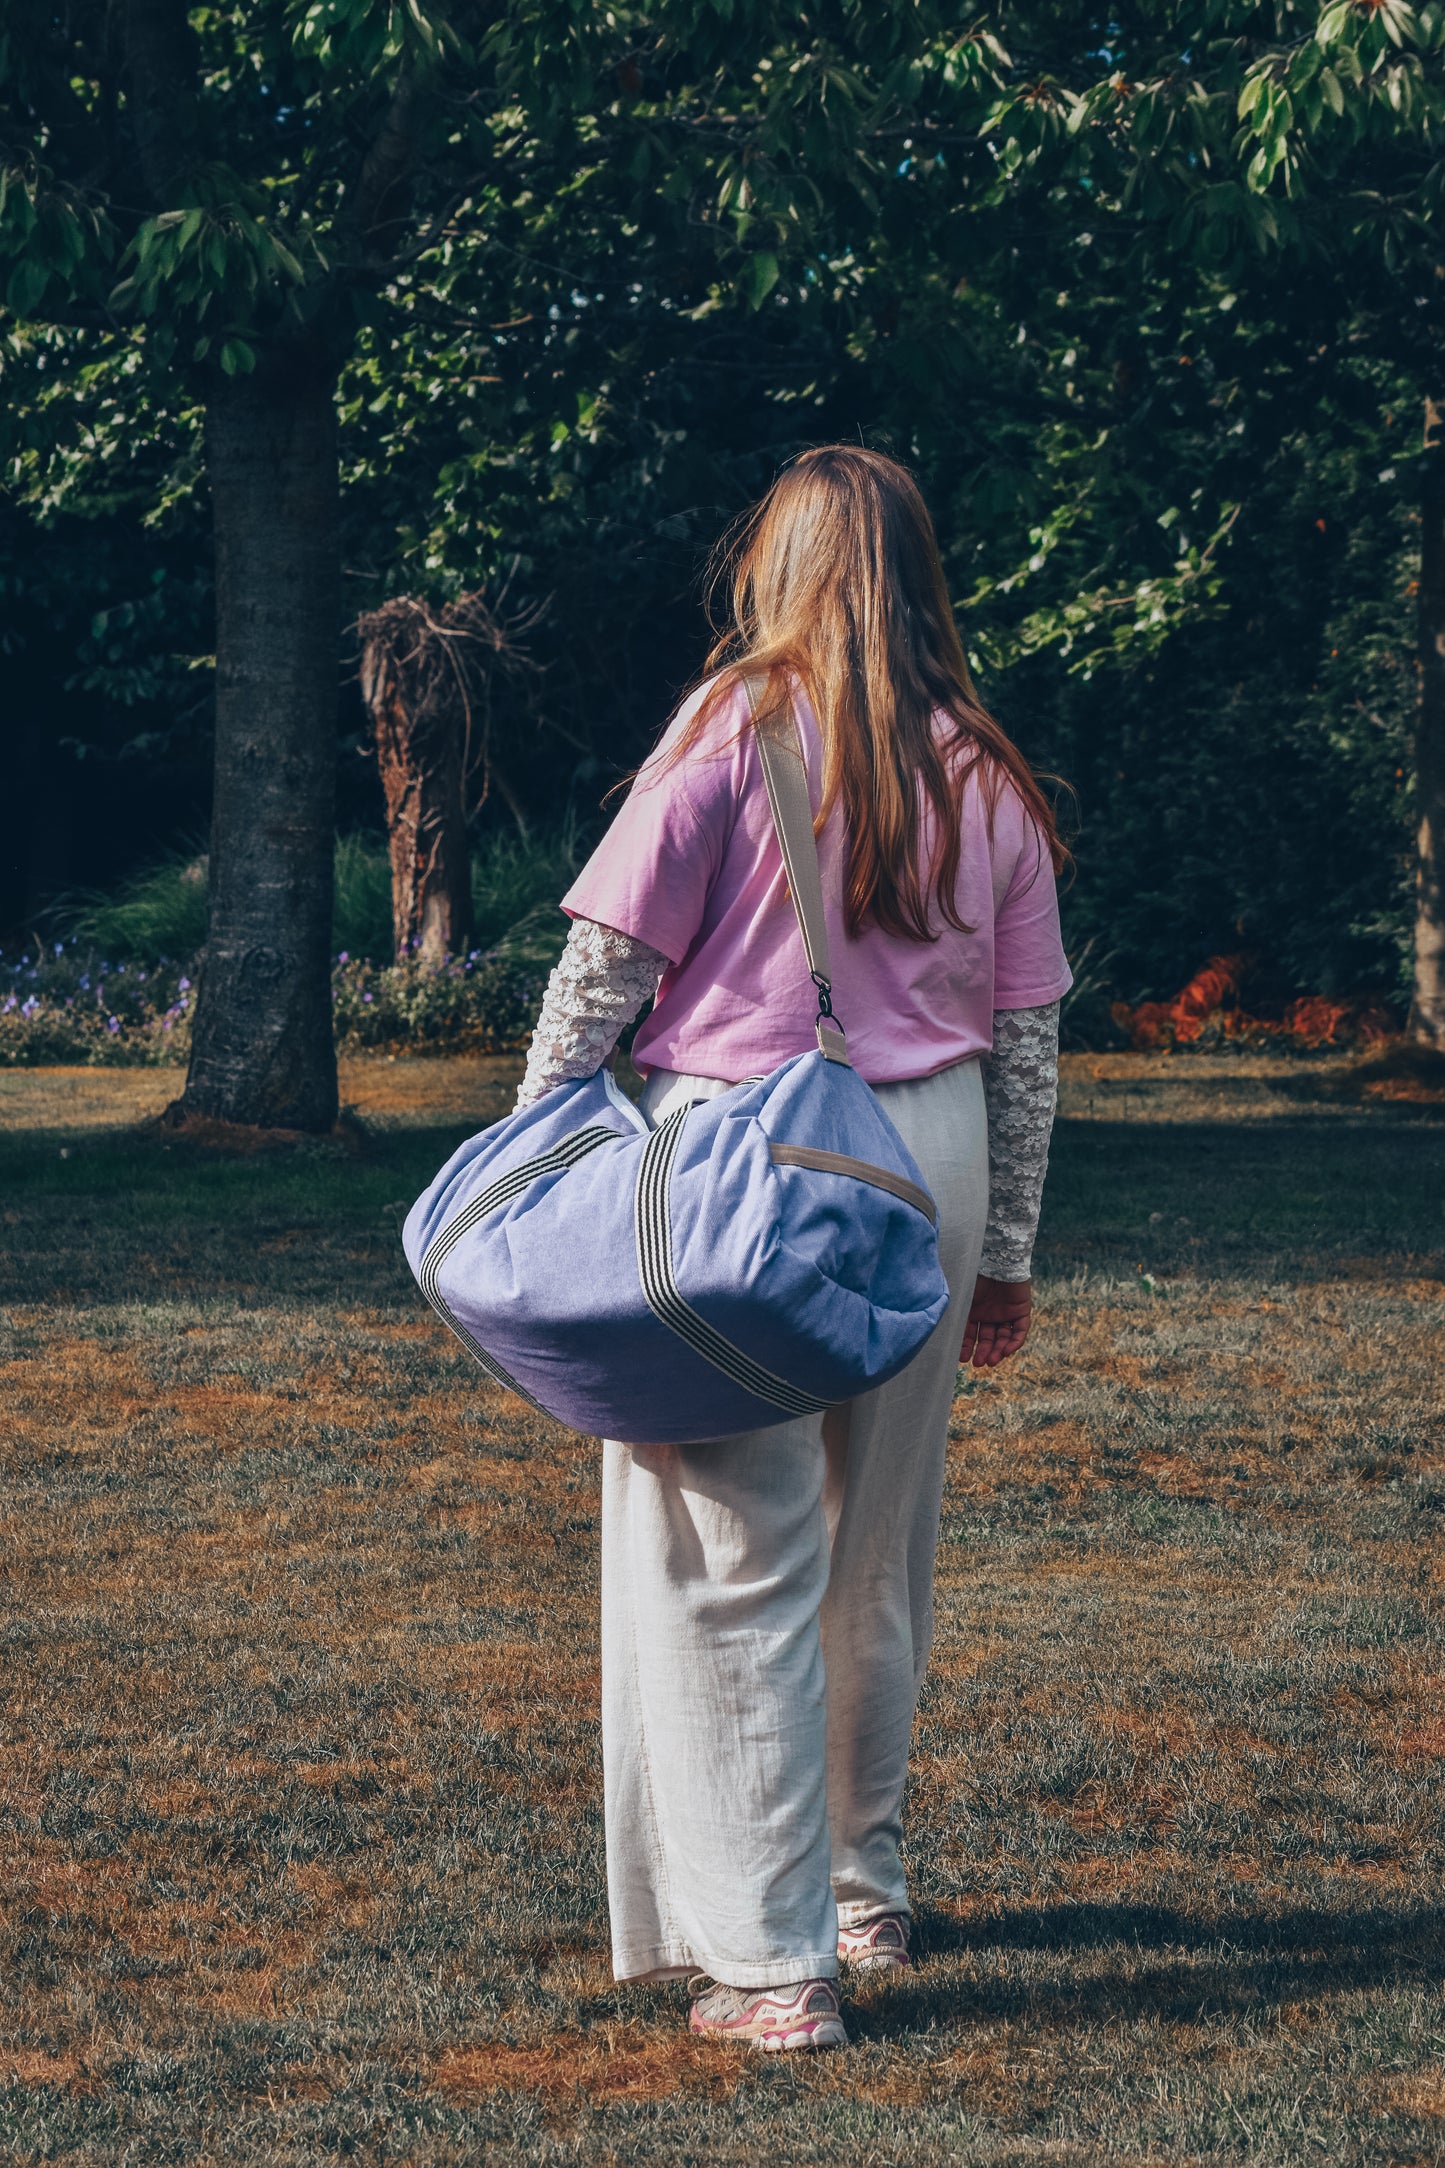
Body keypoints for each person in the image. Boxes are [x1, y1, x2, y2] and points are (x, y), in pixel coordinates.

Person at [514, 446, 1071, 2052]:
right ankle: (858, 1895)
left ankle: (766, 1969)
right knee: (874, 1548)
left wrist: (537, 1159)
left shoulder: (722, 733)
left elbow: (600, 979)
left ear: (780, 562)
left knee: (727, 1549)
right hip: (933, 1159)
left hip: (741, 1161)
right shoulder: (982, 765)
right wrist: (1008, 1251)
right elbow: (1025, 1043)